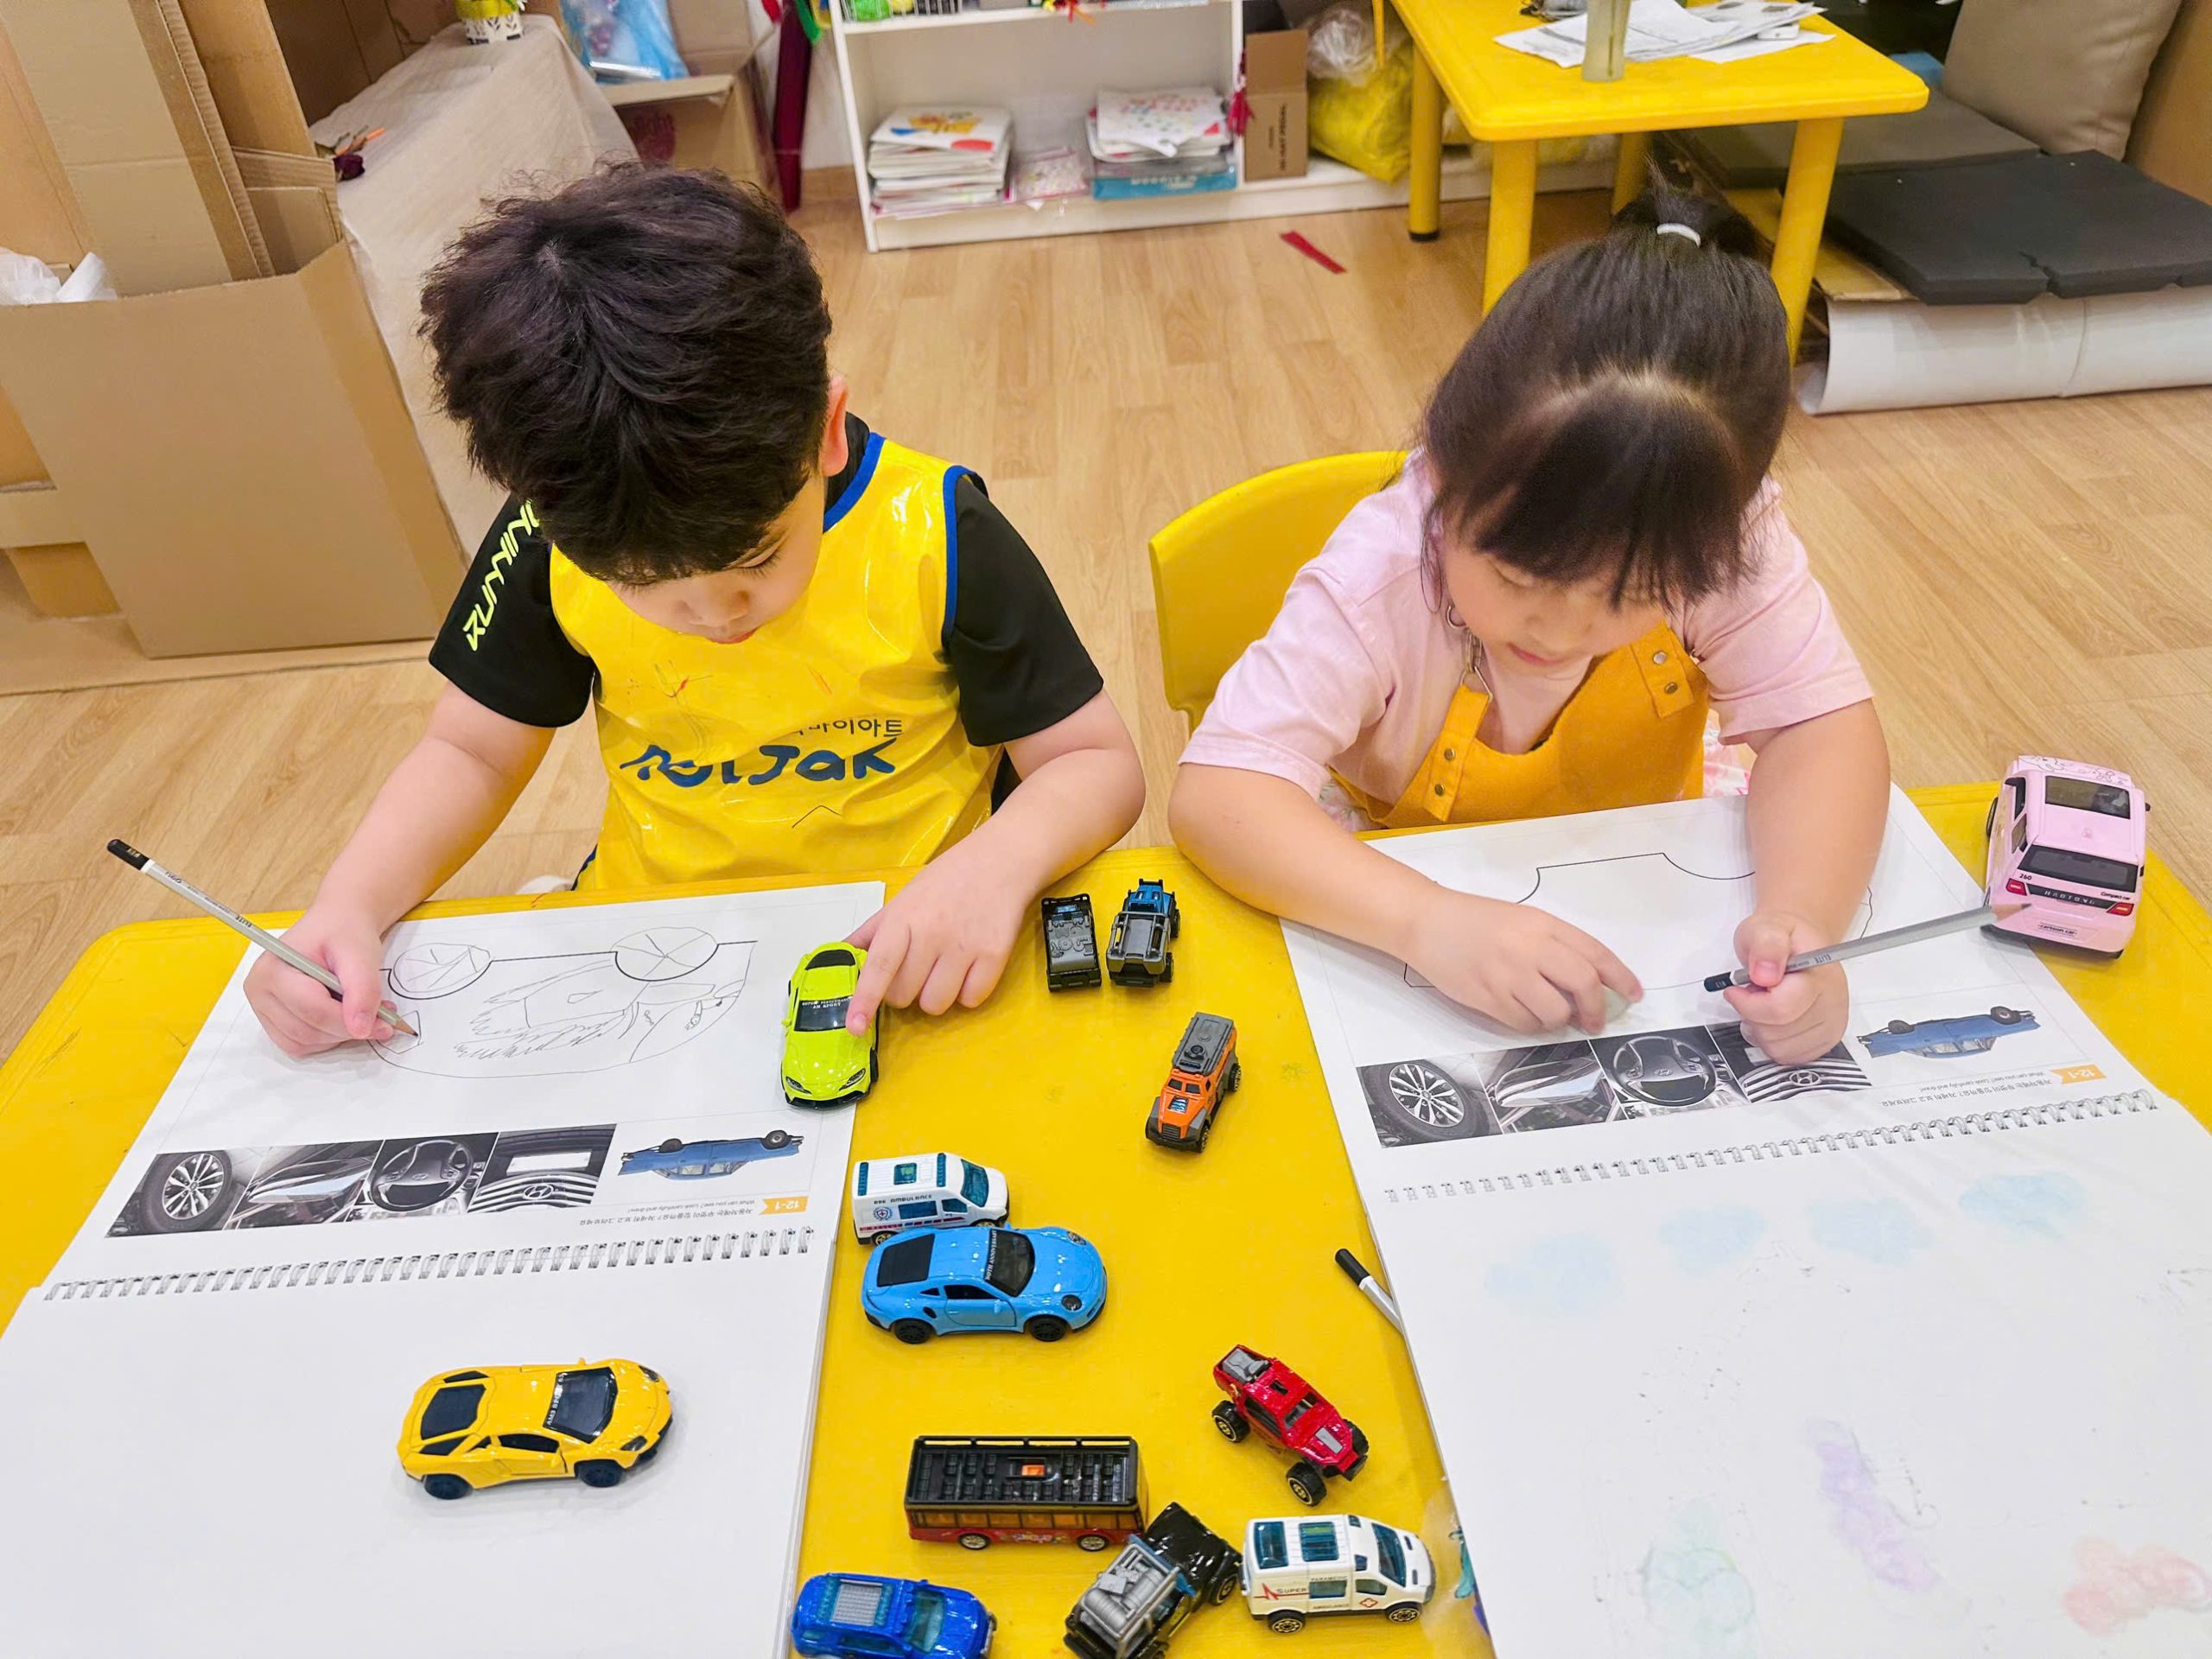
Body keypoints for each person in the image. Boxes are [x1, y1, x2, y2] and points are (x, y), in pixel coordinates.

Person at [247, 167, 1142, 1058]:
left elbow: (1092, 761)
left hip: (907, 942)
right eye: (642, 582)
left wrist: (995, 870)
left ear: (826, 432)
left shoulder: (937, 530)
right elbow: (472, 751)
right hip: (656, 947)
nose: (715, 614)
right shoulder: (548, 537)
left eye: (756, 559)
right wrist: (349, 906)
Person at [1170, 188, 1887, 1065]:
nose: (1559, 630)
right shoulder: (1381, 580)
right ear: (1444, 475)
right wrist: (1425, 921)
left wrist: (1804, 922)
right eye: (1518, 577)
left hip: (1632, 877)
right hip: (1403, 886)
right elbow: (1220, 793)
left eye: (1634, 594)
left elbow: (1819, 728)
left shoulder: (1720, 536)